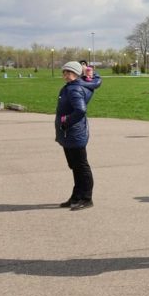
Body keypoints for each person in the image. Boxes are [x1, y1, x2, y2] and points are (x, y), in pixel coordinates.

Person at [56, 61, 100, 211]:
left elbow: (80, 110)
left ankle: (86, 198)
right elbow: (95, 79)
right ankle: (77, 196)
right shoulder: (77, 85)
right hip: (71, 133)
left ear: (76, 74)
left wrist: (66, 122)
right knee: (76, 166)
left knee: (81, 166)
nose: (66, 75)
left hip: (74, 132)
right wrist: (90, 72)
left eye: (69, 72)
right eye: (65, 72)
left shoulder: (74, 89)